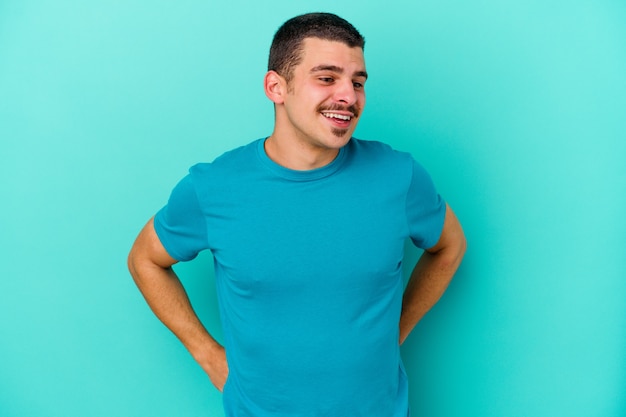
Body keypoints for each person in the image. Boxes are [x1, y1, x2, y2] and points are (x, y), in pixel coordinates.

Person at [128, 12, 466, 417]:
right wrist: (208, 354)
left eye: (358, 82)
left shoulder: (399, 176)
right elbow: (144, 259)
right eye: (327, 78)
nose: (349, 96)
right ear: (276, 87)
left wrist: (395, 331)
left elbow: (450, 246)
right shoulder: (214, 188)